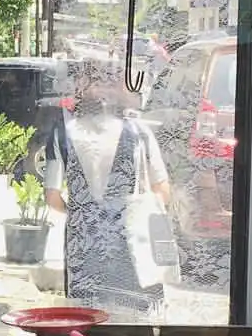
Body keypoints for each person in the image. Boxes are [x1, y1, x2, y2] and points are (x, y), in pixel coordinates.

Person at [44, 61, 174, 317]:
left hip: (83, 250)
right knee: (132, 327)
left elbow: (52, 197)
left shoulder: (61, 134)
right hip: (131, 249)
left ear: (79, 90)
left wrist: (84, 215)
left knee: (86, 325)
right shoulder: (140, 133)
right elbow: (162, 192)